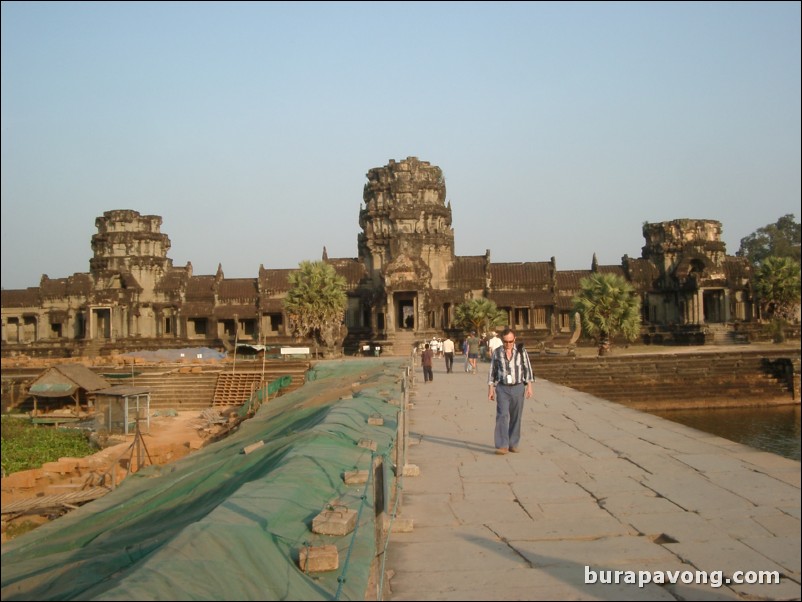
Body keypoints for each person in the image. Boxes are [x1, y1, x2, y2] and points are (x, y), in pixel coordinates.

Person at [487, 327, 534, 455]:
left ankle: (513, 443)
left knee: (516, 416)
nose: (508, 344)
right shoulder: (497, 352)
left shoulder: (521, 351)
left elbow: (527, 368)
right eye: (505, 342)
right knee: (502, 415)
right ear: (502, 340)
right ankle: (502, 445)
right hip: (502, 388)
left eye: (510, 341)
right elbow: (492, 371)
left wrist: (529, 386)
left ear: (515, 339)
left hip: (518, 386)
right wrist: (490, 389)